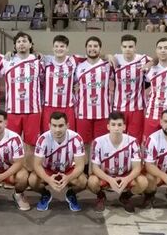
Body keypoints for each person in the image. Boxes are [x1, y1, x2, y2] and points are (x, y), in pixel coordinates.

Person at [88, 112, 147, 213]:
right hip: (106, 176)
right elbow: (95, 168)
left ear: (124, 127)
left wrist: (126, 179)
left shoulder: (133, 142)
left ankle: (125, 197)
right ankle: (101, 196)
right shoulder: (99, 142)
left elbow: (137, 168)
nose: (116, 128)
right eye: (113, 125)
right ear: (108, 126)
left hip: (125, 175)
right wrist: (110, 179)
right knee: (91, 181)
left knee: (143, 182)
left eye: (119, 125)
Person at [29, 112, 87, 212]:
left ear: (67, 125)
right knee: (32, 180)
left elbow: (80, 166)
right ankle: (45, 194)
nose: (57, 129)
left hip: (68, 169)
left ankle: (71, 194)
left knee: (83, 181)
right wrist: (48, 179)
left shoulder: (76, 139)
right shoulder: (43, 139)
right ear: (49, 126)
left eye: (61, 126)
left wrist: (68, 178)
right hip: (48, 170)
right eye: (54, 126)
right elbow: (37, 165)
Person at [1, 32, 42, 169]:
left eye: (24, 41)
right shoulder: (6, 61)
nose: (21, 44)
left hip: (33, 110)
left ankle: (29, 173)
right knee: (11, 145)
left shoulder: (38, 61)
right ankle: (11, 175)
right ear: (15, 46)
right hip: (13, 110)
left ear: (30, 44)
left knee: (31, 145)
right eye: (18, 41)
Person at [74, 36, 112, 165]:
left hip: (103, 113)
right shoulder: (78, 66)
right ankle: (84, 172)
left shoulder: (108, 65)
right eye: (90, 46)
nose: (92, 48)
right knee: (84, 144)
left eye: (95, 46)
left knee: (101, 144)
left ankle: (98, 172)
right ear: (86, 48)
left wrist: (109, 56)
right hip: (83, 113)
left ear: (100, 49)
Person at [109, 35, 151, 143]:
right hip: (119, 108)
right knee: (117, 139)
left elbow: (158, 59)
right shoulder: (116, 58)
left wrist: (151, 63)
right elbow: (97, 56)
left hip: (137, 108)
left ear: (135, 47)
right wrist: (107, 55)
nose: (128, 49)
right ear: (121, 47)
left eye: (131, 46)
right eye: (125, 46)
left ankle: (134, 159)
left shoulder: (143, 59)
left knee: (135, 141)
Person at [40, 35, 79, 131]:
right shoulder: (46, 61)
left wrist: (109, 56)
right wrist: (11, 53)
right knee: (48, 136)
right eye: (56, 46)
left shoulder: (73, 60)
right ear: (53, 48)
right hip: (49, 106)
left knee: (68, 136)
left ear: (67, 48)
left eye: (62, 46)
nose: (59, 49)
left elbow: (92, 58)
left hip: (67, 107)